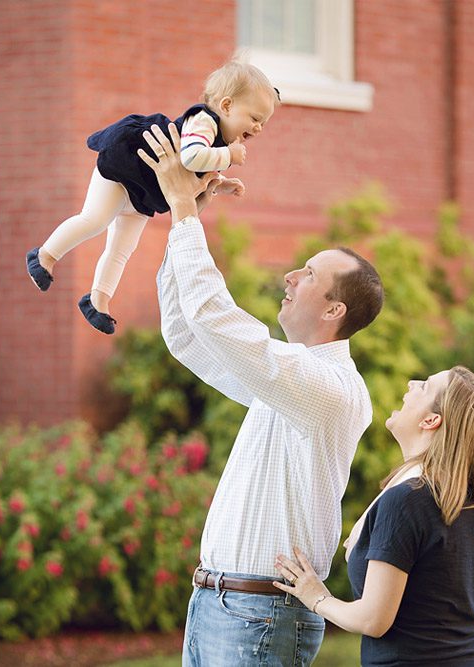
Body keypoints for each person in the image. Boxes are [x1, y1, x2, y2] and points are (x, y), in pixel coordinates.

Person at [139, 123, 384, 666]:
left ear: (333, 310)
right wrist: (189, 214)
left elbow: (219, 320)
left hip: (262, 615)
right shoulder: (288, 382)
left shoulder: (329, 387)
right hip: (218, 605)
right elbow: (186, 334)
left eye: (311, 274)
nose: (292, 275)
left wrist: (182, 209)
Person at [26, 59, 278, 334]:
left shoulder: (217, 142)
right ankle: (44, 256)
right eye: (254, 118)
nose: (258, 128)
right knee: (95, 220)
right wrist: (229, 156)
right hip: (124, 171)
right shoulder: (204, 121)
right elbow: (191, 157)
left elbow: (193, 177)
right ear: (227, 106)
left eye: (263, 123)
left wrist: (220, 184)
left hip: (143, 196)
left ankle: (97, 301)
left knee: (122, 249)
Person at [274, 366, 474, 666]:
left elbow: (373, 619)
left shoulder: (408, 500)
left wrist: (317, 597)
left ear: (431, 420)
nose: (411, 383)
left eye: (424, 386)